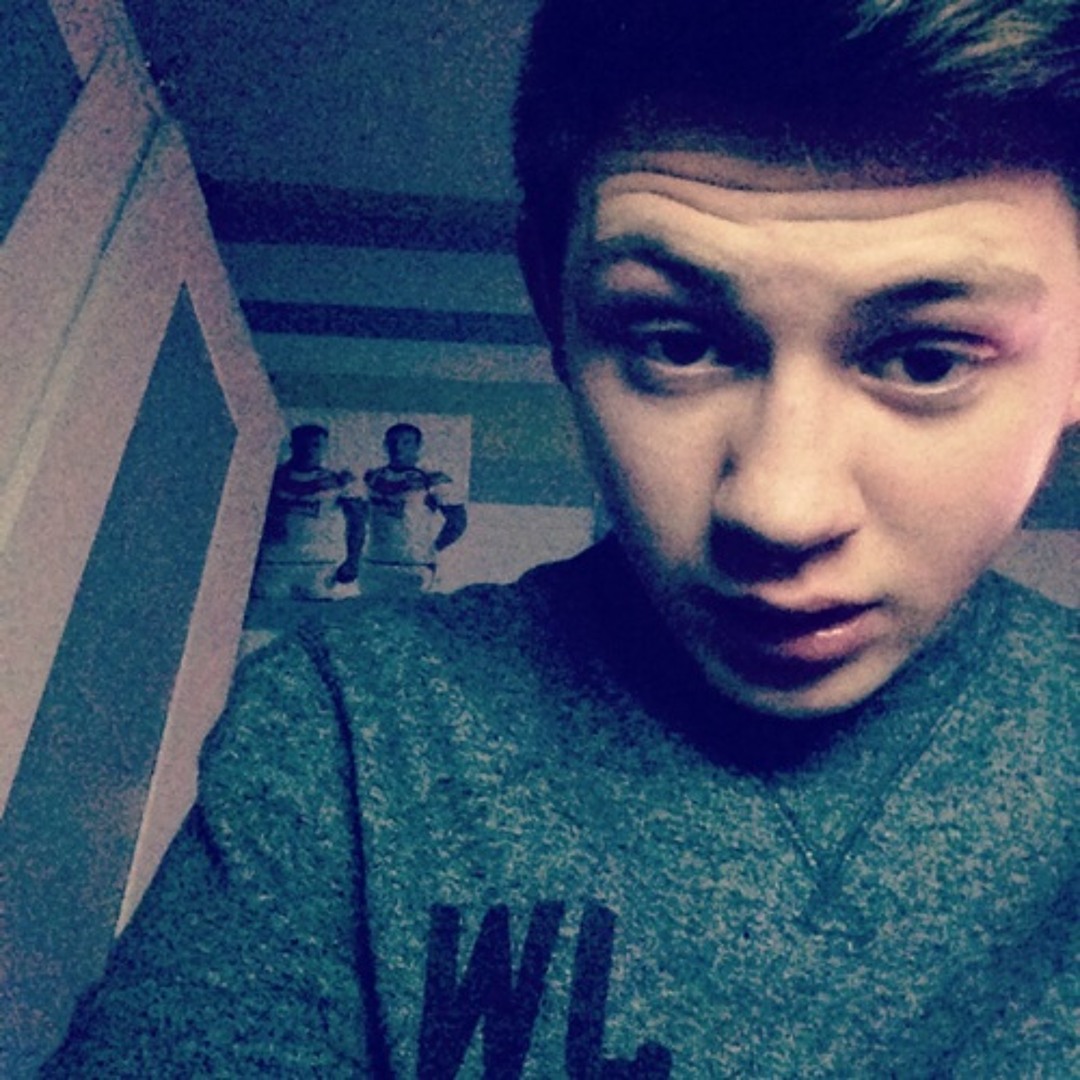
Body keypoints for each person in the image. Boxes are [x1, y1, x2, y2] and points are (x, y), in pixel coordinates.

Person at [46, 0, 1077, 1075]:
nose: (779, 509)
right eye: (676, 342)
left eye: (925, 359)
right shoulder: (355, 734)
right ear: (555, 307)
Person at [335, 423, 468, 595]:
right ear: (385, 445)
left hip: (415, 567)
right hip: (374, 564)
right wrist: (352, 559)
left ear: (418, 446)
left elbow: (457, 521)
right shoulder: (371, 477)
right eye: (393, 442)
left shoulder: (432, 479)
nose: (398, 447)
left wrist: (433, 548)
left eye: (406, 442)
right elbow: (355, 521)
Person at [250, 423, 358, 600]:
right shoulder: (269, 478)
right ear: (292, 445)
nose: (309, 450)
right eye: (303, 445)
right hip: (274, 564)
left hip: (321, 565)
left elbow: (357, 522)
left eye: (316, 445)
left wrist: (353, 560)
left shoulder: (339, 481)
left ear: (325, 447)